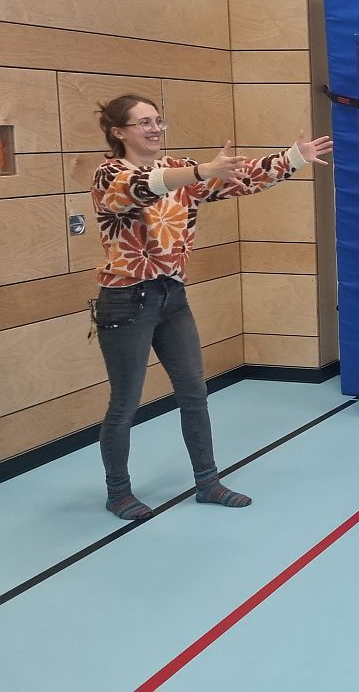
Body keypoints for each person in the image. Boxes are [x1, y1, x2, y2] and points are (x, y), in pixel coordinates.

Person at [91, 93, 332, 521]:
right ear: (118, 132)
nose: (153, 128)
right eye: (142, 122)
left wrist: (295, 156)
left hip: (171, 295)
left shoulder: (179, 170)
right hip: (126, 299)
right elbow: (140, 189)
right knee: (125, 402)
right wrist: (199, 170)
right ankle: (118, 492)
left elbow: (239, 179)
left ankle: (207, 482)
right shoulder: (110, 174)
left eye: (157, 120)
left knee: (194, 392)